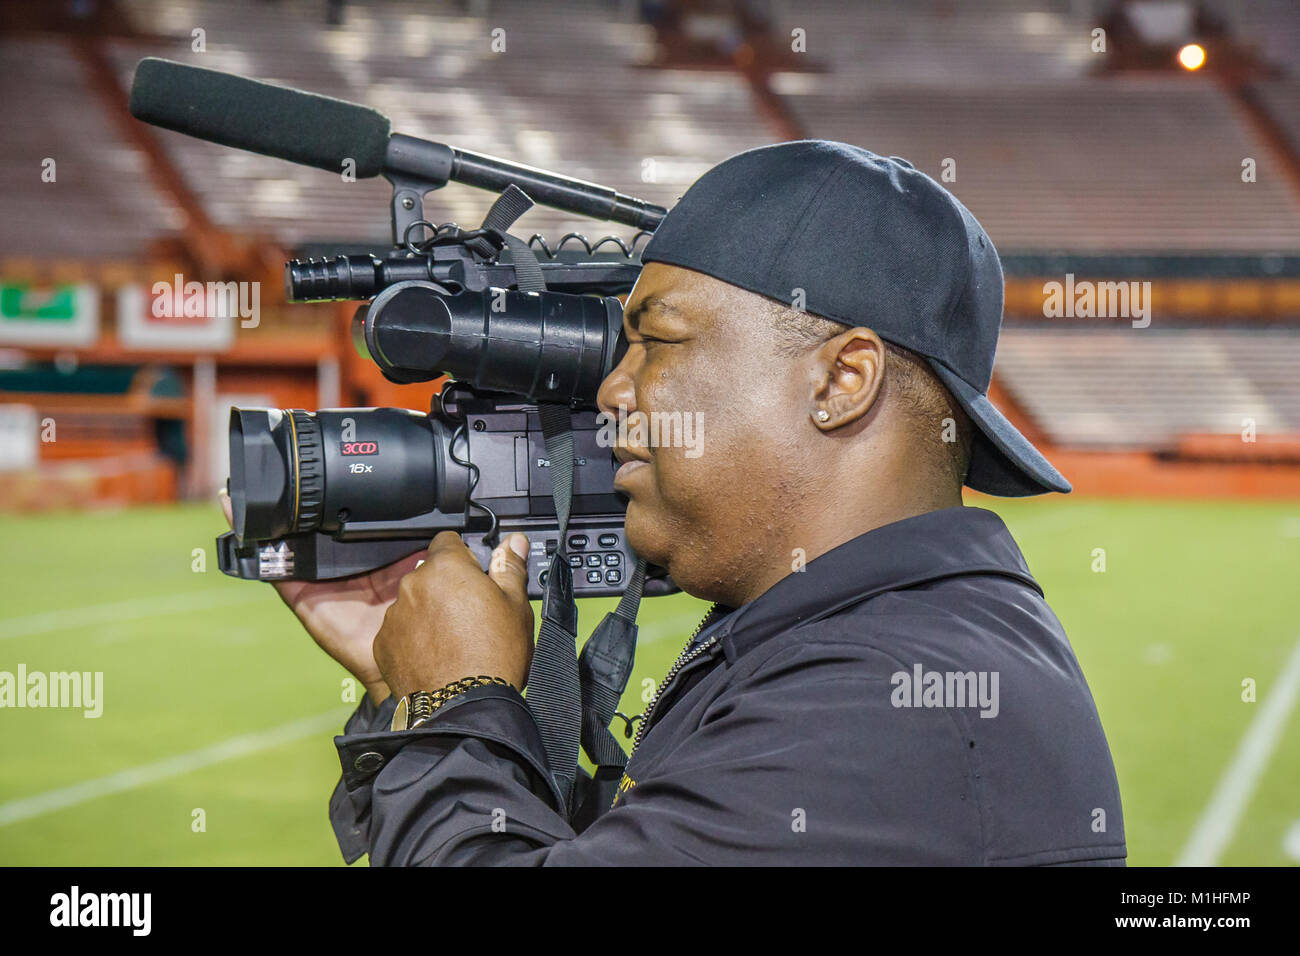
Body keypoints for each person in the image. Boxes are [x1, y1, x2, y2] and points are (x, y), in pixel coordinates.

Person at [228, 141, 1126, 865]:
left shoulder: (885, 699)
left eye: (655, 341)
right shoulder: (873, 635)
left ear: (843, 380)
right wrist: (405, 691)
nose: (611, 392)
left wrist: (457, 704)